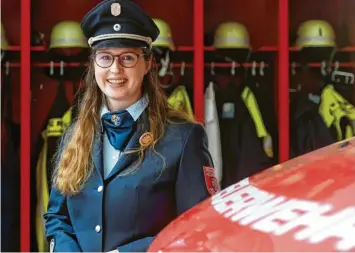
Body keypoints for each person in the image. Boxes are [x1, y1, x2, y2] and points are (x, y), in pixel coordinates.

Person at [44, 0, 219, 252]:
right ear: (93, 65)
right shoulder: (74, 134)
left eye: (127, 57)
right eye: (105, 57)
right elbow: (57, 218)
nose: (115, 69)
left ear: (147, 63)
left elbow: (198, 226)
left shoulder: (184, 137)